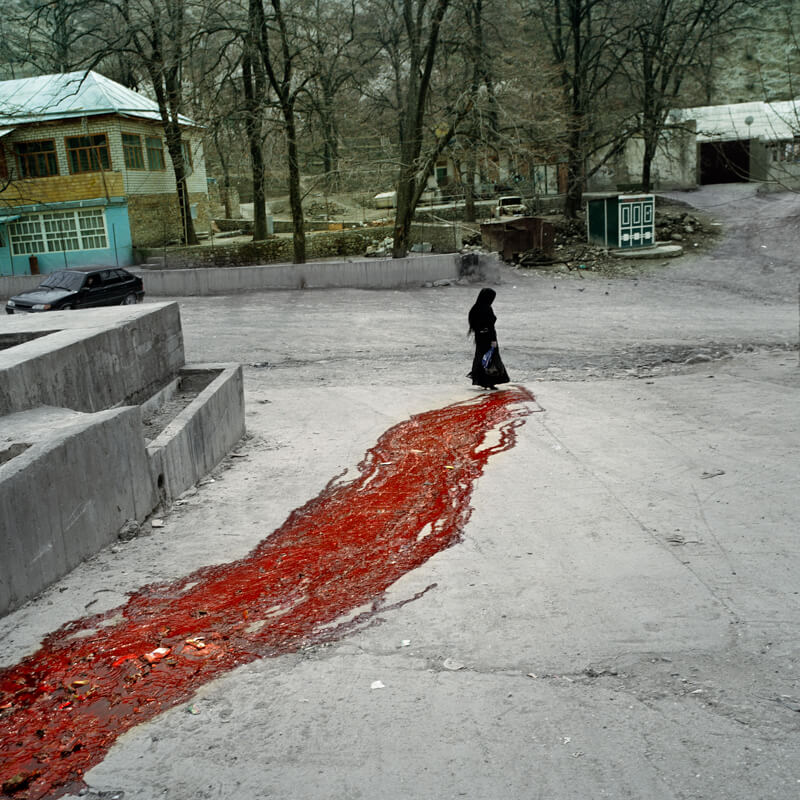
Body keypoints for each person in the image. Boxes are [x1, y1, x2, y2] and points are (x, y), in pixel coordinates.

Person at [467, 287, 509, 389]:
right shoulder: (486, 309)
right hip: (488, 337)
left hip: (480, 338)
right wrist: (493, 340)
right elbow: (490, 326)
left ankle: (482, 380)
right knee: (491, 358)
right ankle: (490, 381)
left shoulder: (475, 308)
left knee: (482, 358)